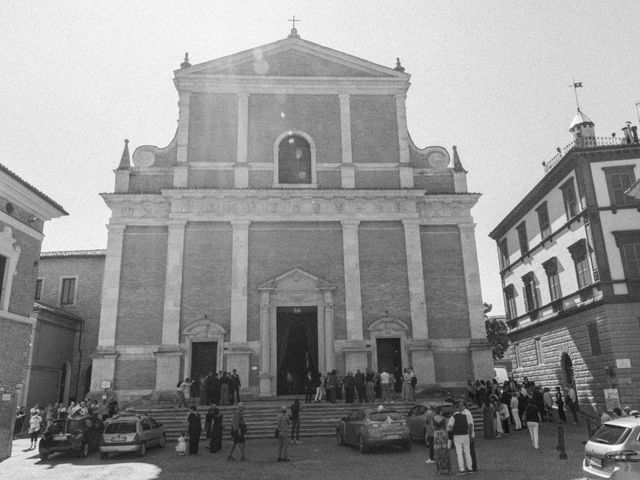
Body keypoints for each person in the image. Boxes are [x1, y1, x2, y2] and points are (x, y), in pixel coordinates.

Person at [447, 400, 474, 476]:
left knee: (459, 453)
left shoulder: (453, 416)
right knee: (467, 452)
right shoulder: (466, 415)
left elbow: (450, 428)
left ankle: (462, 470)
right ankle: (470, 468)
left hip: (457, 436)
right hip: (466, 435)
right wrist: (471, 435)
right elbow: (470, 426)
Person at [432, 406, 450, 473]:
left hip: (436, 435)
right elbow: (447, 427)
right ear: (440, 411)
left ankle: (438, 468)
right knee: (444, 450)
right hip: (443, 434)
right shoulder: (444, 419)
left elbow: (433, 428)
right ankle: (446, 467)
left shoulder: (433, 419)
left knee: (437, 451)